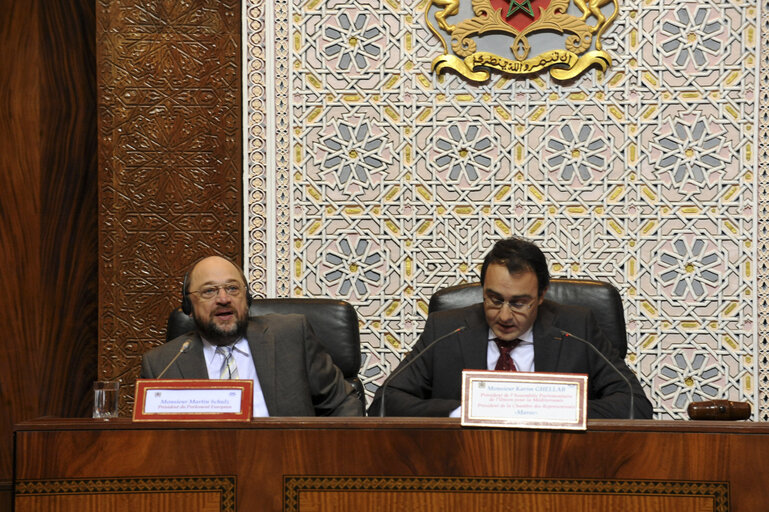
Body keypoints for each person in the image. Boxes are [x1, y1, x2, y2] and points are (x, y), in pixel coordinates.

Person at [368, 237, 653, 419]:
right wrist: (463, 411)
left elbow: (635, 405)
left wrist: (550, 408)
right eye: (494, 299)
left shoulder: (577, 329)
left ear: (541, 296)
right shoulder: (446, 329)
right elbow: (384, 403)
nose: (504, 315)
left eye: (519, 303)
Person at [141, 256, 363, 417]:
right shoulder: (162, 364)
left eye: (233, 288)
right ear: (189, 305)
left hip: (288, 466)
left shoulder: (291, 336)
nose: (224, 298)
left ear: (247, 298)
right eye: (209, 291)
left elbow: (343, 403)